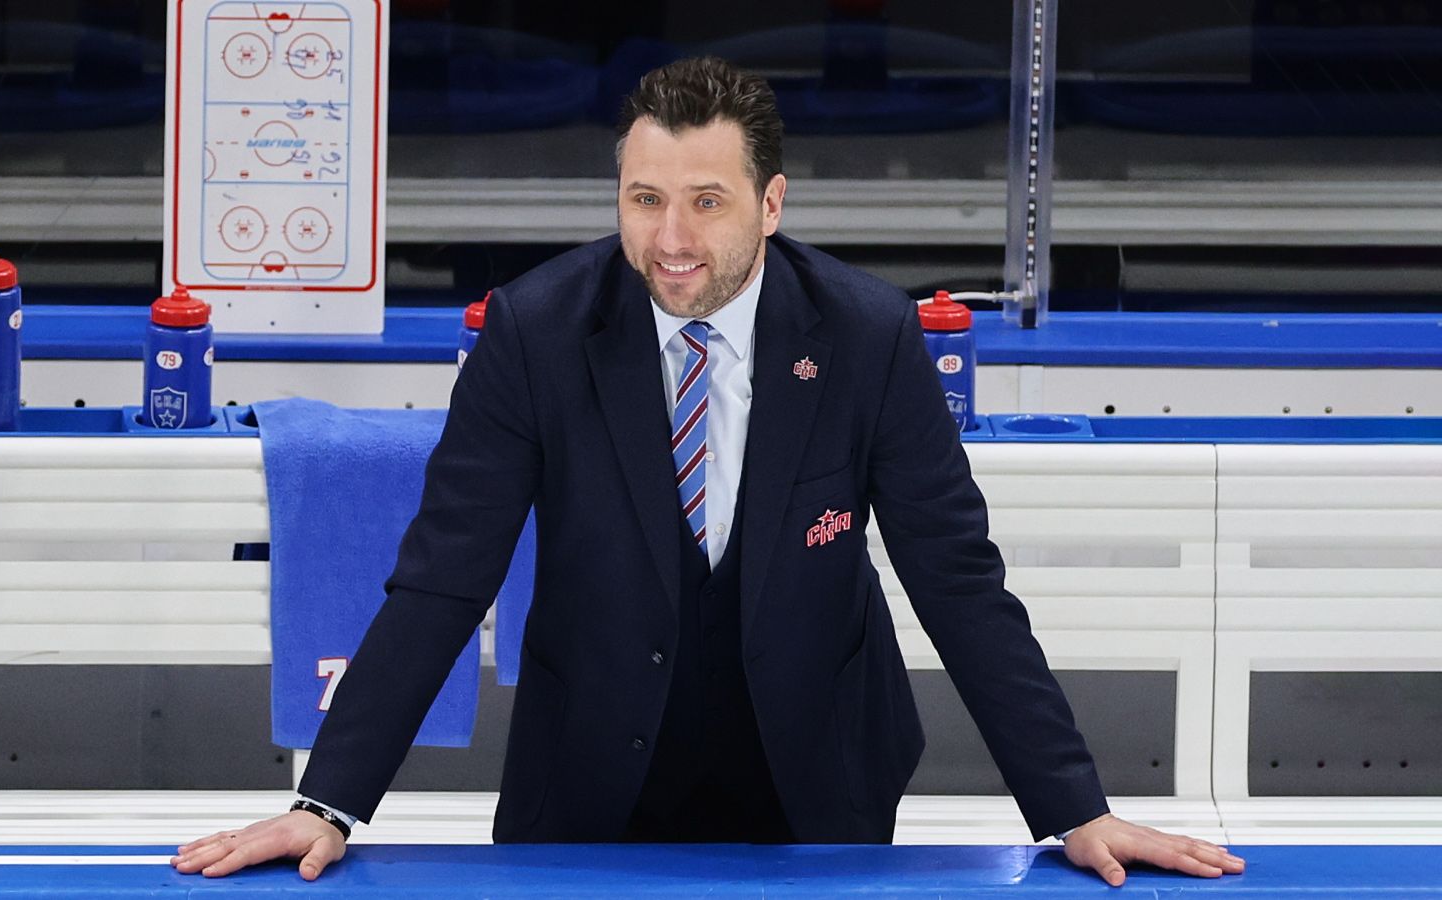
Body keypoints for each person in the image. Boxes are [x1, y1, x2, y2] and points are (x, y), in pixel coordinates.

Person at [173, 56, 1246, 887]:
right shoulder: (534, 334)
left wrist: (1073, 807)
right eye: (644, 199)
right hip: (589, 772)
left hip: (818, 775)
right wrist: (327, 804)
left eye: (706, 201)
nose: (670, 238)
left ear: (770, 204)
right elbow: (443, 578)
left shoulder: (867, 337)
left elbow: (957, 581)